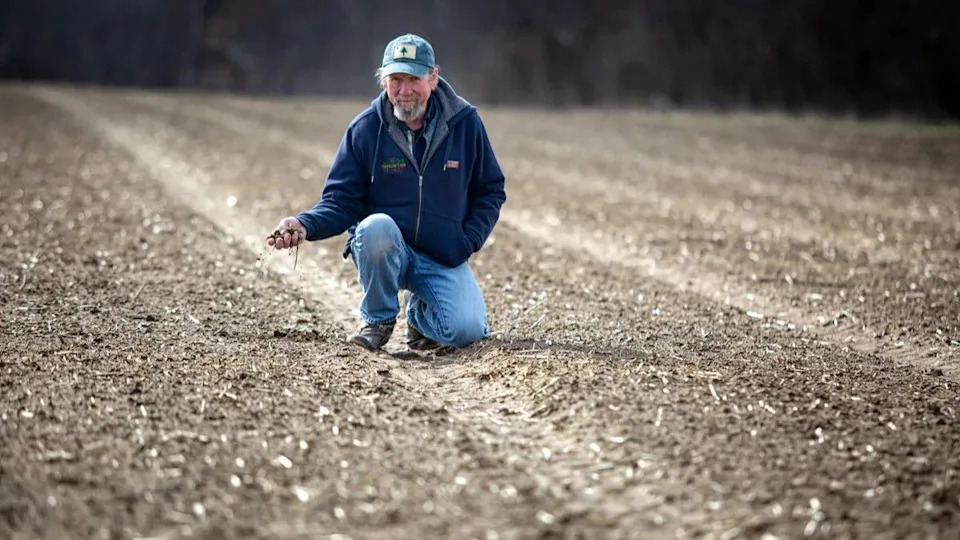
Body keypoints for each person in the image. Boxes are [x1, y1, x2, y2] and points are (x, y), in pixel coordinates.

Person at [267, 33, 506, 352]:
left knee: (466, 331)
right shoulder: (365, 129)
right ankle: (377, 320)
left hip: (441, 255)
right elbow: (341, 201)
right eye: (396, 79)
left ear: (433, 78)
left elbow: (490, 190)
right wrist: (304, 224)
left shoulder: (465, 124)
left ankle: (420, 316)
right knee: (375, 227)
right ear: (383, 81)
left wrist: (467, 241)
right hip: (385, 248)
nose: (404, 91)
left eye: (414, 78)